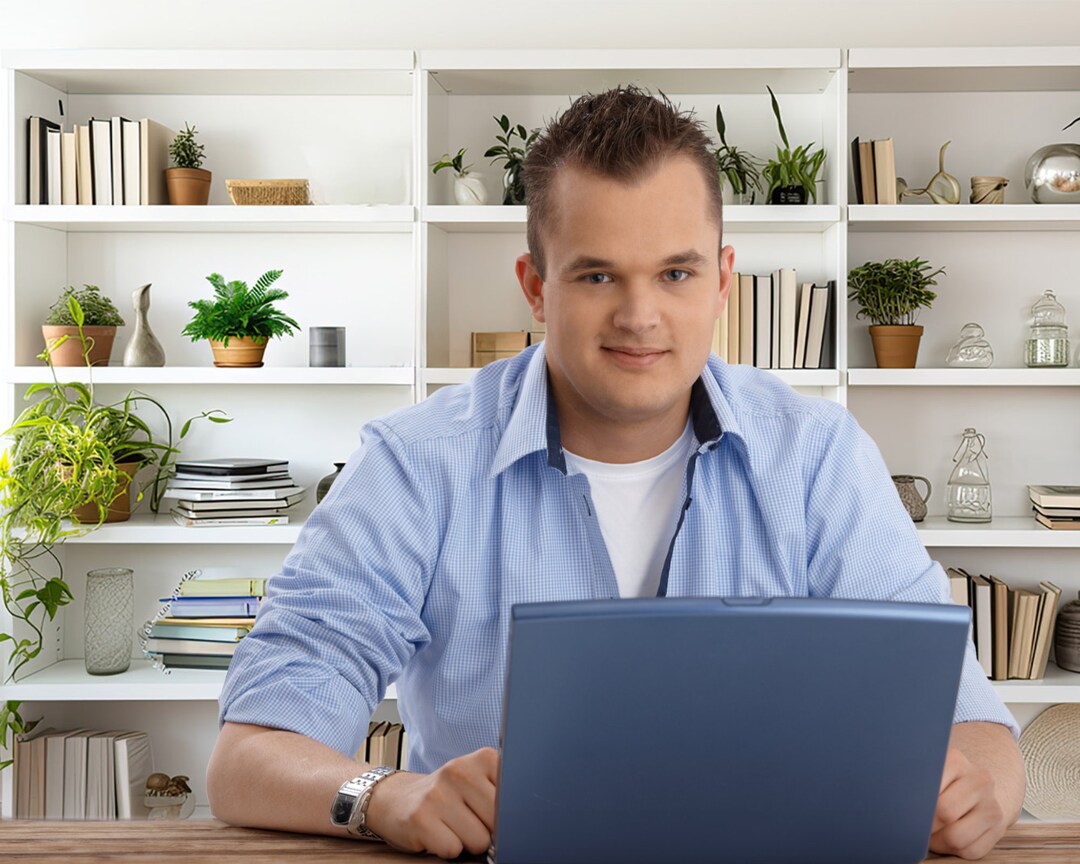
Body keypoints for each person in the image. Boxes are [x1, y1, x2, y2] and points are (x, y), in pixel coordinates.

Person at [207, 86, 1025, 861]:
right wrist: (383, 795)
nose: (640, 316)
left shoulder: (816, 455)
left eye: (675, 273)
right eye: (598, 275)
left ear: (722, 282)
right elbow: (246, 759)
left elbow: (977, 728)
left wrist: (975, 784)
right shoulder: (417, 463)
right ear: (536, 288)